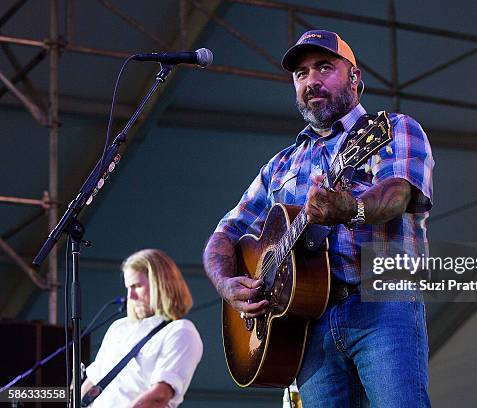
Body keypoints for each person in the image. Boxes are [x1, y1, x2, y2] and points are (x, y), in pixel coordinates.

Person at [204, 30, 433, 407]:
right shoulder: (279, 166)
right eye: (301, 74)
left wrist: (352, 210)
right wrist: (227, 284)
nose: (312, 80)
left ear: (355, 78)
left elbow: (397, 193)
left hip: (381, 304)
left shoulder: (391, 128)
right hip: (305, 325)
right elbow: (225, 233)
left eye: (325, 67)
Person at [82, 249, 203, 407]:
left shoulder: (181, 331)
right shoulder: (118, 327)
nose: (130, 296)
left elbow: (159, 396)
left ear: (161, 284)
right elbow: (92, 383)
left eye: (137, 286)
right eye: (128, 288)